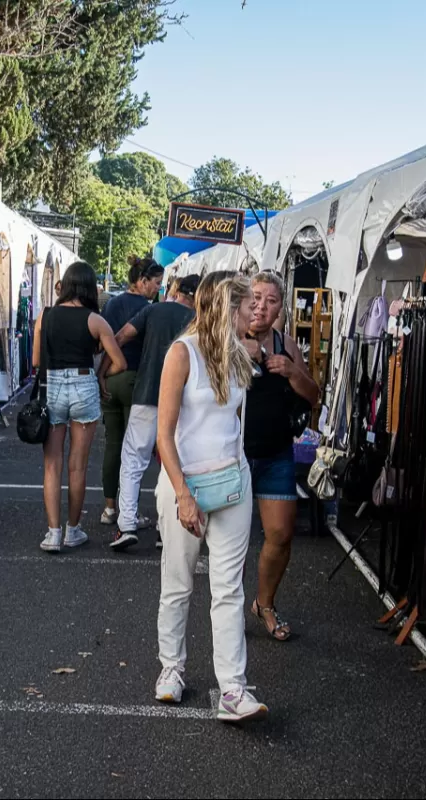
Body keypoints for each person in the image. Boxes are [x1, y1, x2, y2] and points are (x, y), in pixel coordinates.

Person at [153, 273, 268, 722]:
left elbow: (232, 423)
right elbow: (164, 435)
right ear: (227, 306)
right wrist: (182, 493)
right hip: (185, 485)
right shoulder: (182, 353)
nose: (254, 314)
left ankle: (233, 690)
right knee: (178, 583)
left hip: (233, 483)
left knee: (228, 590)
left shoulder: (237, 351)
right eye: (247, 306)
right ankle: (171, 669)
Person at [243, 273, 320, 641]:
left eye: (271, 300)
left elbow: (313, 395)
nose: (261, 306)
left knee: (280, 535)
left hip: (276, 453)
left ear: (280, 308)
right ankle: (222, 616)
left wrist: (290, 370)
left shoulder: (286, 343)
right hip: (234, 455)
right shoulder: (227, 337)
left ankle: (264, 604)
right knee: (230, 541)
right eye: (255, 297)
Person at [34, 262, 127, 552]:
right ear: (89, 287)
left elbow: (37, 362)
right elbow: (120, 362)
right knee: (77, 466)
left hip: (52, 388)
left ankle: (52, 533)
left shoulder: (45, 316)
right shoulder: (96, 321)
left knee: (52, 464)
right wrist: (103, 376)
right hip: (84, 386)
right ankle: (73, 530)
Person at [109, 273, 202, 550]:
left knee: (133, 459)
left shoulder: (154, 310)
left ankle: (126, 524)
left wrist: (109, 368)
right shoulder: (198, 321)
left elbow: (122, 336)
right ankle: (167, 528)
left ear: (176, 290)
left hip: (148, 392)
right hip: (186, 400)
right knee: (174, 462)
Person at [98, 256, 164, 527]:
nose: (158, 289)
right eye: (156, 283)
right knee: (133, 452)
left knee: (113, 445)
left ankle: (109, 508)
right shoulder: (150, 309)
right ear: (142, 281)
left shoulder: (112, 303)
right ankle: (130, 512)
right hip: (137, 380)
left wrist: (102, 373)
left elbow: (105, 341)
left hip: (111, 378)